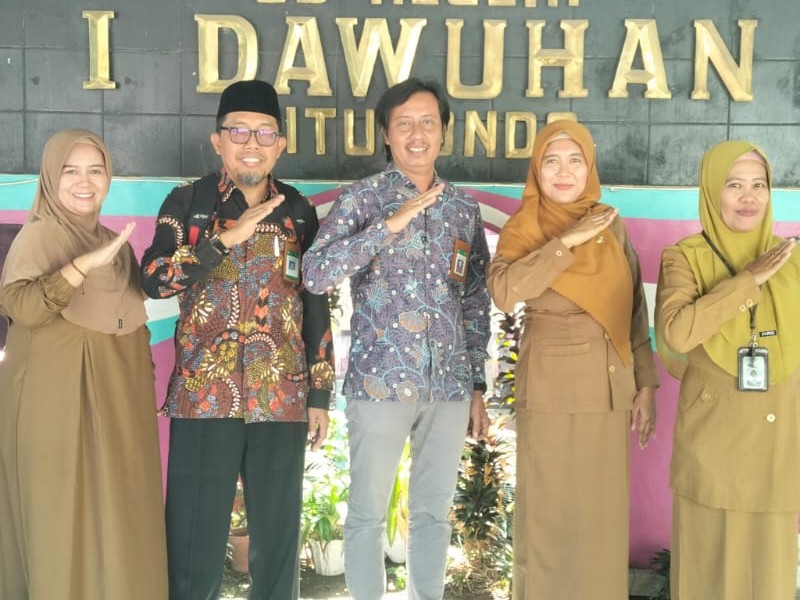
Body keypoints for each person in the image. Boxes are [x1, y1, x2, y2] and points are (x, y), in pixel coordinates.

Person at [140, 80, 335, 599]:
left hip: (281, 399)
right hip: (204, 396)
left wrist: (319, 394)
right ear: (218, 141)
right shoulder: (189, 202)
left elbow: (316, 302)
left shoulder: (298, 211)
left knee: (277, 544)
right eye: (239, 131)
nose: (252, 143)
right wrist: (225, 240)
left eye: (265, 133)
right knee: (193, 543)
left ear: (281, 144)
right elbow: (154, 278)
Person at [302, 78, 491, 600]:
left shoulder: (462, 208)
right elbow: (315, 273)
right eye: (403, 124)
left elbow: (474, 300)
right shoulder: (363, 198)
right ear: (386, 134)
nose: (417, 134)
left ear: (443, 132)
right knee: (367, 513)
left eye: (427, 123)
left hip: (448, 387)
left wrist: (476, 384)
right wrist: (387, 226)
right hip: (380, 383)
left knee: (433, 513)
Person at [488, 120, 659, 600]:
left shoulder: (609, 221)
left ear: (590, 167)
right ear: (536, 170)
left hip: (611, 389)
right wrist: (567, 242)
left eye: (575, 160)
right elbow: (505, 292)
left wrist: (645, 383)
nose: (564, 172)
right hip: (553, 392)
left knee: (601, 521)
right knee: (550, 520)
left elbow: (632, 306)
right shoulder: (525, 225)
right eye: (552, 161)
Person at [0, 129, 167, 599]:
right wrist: (79, 267)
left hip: (117, 404)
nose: (85, 182)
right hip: (53, 406)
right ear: (50, 177)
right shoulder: (37, 236)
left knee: (118, 514)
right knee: (59, 516)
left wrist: (141, 390)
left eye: (96, 170)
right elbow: (22, 308)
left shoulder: (118, 246)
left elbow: (133, 326)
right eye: (70, 171)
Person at [655, 141, 800, 600]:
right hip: (712, 455)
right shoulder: (684, 257)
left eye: (759, 184)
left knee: (769, 583)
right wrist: (749, 280)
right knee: (706, 580)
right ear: (711, 190)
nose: (749, 197)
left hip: (777, 453)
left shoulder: (793, 260)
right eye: (734, 185)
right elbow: (677, 334)